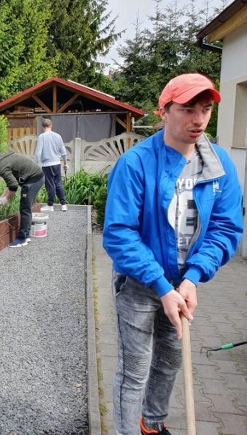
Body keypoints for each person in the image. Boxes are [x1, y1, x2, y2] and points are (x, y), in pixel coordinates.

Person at [102, 73, 243, 435]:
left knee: (169, 361)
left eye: (206, 109)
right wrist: (161, 286)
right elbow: (118, 234)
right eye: (187, 109)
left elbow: (225, 229)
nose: (198, 119)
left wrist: (193, 278)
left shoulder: (219, 165)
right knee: (135, 367)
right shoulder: (135, 163)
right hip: (139, 283)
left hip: (183, 285)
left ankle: (151, 424)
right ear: (163, 111)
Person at [0, 152, 44, 248]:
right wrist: (1, 197)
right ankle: (26, 235)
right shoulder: (1, 160)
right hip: (34, 177)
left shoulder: (1, 167)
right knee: (25, 206)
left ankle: (22, 239)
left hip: (34, 179)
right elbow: (10, 183)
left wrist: (6, 199)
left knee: (24, 207)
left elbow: (13, 185)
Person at [34, 118, 68, 212]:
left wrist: (35, 164)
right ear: (51, 126)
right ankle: (63, 205)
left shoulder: (41, 137)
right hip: (57, 163)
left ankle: (50, 206)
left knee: (50, 185)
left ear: (42, 127)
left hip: (47, 165)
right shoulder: (58, 136)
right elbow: (64, 152)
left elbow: (38, 153)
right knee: (58, 184)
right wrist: (65, 164)